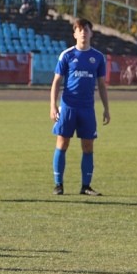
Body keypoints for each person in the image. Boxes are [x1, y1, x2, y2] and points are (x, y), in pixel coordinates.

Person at [50, 18, 110, 196]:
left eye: (86, 29)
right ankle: (58, 184)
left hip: (87, 108)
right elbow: (56, 82)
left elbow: (101, 85)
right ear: (75, 33)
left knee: (88, 146)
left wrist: (106, 108)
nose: (83, 32)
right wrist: (53, 106)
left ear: (91, 33)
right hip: (68, 106)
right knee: (62, 143)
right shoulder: (67, 55)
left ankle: (86, 186)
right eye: (80, 29)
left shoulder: (98, 57)